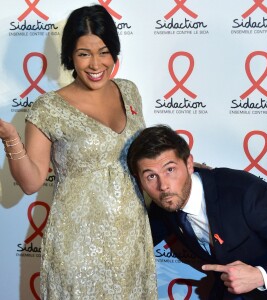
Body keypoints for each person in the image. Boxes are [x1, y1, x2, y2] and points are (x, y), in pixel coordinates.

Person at [0, 5, 157, 299]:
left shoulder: (130, 91)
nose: (96, 64)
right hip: (78, 246)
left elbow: (143, 156)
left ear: (114, 52)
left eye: (104, 51)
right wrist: (11, 139)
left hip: (130, 240)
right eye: (84, 53)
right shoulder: (49, 107)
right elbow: (32, 181)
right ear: (70, 56)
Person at [127, 124, 267, 300]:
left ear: (189, 164)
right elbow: (135, 242)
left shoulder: (244, 193)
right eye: (151, 176)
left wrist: (260, 276)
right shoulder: (164, 205)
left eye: (170, 170)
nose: (163, 185)